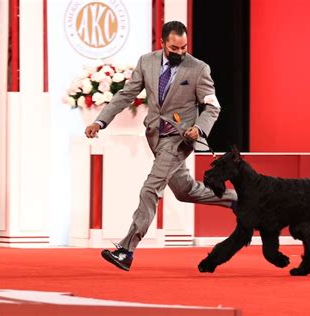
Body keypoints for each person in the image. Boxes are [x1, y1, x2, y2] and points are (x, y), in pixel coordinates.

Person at [85, 21, 237, 271]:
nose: (180, 52)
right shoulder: (146, 62)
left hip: (179, 140)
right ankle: (237, 199)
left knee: (149, 189)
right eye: (174, 48)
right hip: (156, 137)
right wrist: (100, 122)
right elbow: (125, 95)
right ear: (162, 43)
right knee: (185, 191)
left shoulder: (199, 69)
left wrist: (198, 128)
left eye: (184, 47)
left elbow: (212, 106)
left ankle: (126, 250)